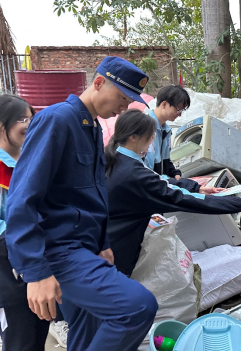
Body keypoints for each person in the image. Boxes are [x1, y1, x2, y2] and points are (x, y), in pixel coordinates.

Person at [5, 56, 158, 351]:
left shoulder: (91, 127)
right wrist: (35, 272)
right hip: (59, 249)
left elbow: (91, 194)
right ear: (98, 83)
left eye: (129, 101)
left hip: (84, 247)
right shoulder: (57, 120)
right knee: (138, 307)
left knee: (90, 328)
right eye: (122, 98)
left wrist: (102, 242)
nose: (124, 107)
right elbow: (22, 198)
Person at [105, 109, 241, 276]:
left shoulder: (115, 158)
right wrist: (237, 203)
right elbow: (180, 198)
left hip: (105, 239)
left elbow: (160, 180)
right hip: (118, 247)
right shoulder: (133, 173)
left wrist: (196, 187)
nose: (152, 139)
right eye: (150, 135)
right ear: (133, 137)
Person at [0, 95, 46, 351]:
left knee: (38, 335)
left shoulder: (31, 161)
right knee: (19, 341)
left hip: (40, 268)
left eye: (31, 119)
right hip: (8, 275)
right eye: (22, 120)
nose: (29, 125)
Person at [144, 85, 191, 184]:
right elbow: (145, 168)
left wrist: (174, 173)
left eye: (182, 110)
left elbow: (166, 161)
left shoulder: (166, 131)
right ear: (164, 104)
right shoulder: (146, 128)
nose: (180, 114)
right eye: (178, 109)